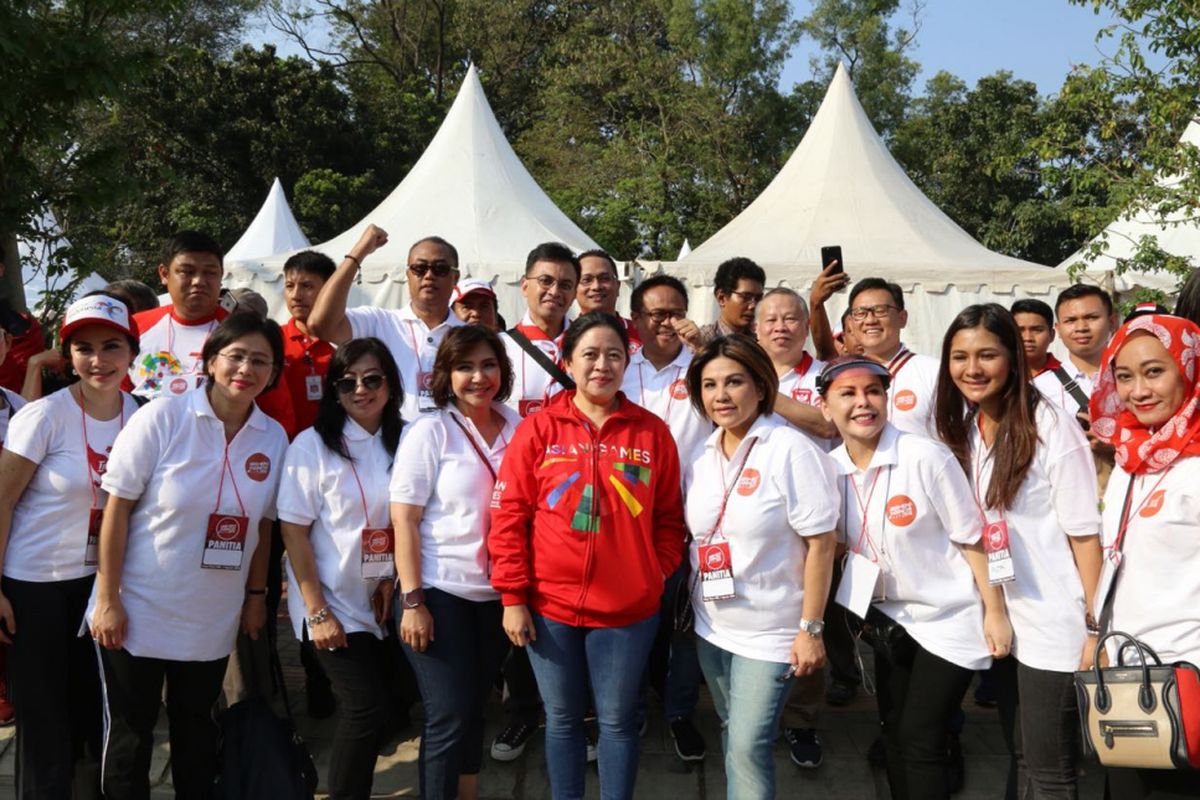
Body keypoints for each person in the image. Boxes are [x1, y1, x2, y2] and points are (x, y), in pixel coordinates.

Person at [87, 313, 288, 800]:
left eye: (260, 360)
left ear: (274, 371)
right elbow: (117, 509)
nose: (246, 369)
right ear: (212, 361)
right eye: (236, 356)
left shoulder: (274, 437)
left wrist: (256, 596)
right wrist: (108, 598)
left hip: (210, 617)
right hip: (138, 608)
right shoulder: (162, 416)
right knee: (130, 737)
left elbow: (261, 526)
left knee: (196, 731)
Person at [488, 311, 687, 800]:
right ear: (569, 361)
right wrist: (513, 596)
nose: (603, 365)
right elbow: (509, 516)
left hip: (628, 612)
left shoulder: (651, 432)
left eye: (615, 355)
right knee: (561, 720)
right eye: (591, 355)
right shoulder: (538, 430)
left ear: (627, 361)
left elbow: (668, 518)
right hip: (549, 609)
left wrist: (652, 573)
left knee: (617, 723)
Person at [818, 355, 1010, 800]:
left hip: (949, 619)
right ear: (825, 407)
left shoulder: (924, 455)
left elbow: (972, 540)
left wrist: (995, 612)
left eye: (873, 392)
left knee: (921, 737)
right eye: (847, 394)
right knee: (894, 734)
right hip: (889, 620)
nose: (863, 403)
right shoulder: (829, 469)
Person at [935, 303, 1102, 800]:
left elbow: (1084, 535)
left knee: (1052, 771)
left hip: (1055, 623)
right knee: (1025, 755)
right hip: (1000, 617)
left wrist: (1094, 629)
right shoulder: (967, 427)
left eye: (987, 354)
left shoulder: (1051, 425)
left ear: (1013, 356)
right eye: (960, 356)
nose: (972, 368)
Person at [681, 334, 838, 799]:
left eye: (734, 382)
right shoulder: (703, 455)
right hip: (712, 624)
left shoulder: (788, 448)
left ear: (761, 385)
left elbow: (822, 543)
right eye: (709, 385)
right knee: (734, 730)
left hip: (771, 632)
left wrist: (811, 628)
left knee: (748, 745)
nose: (721, 396)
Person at [0, 293, 140, 798]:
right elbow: (2, 501)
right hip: (34, 586)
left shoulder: (143, 416)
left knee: (93, 713)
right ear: (67, 355)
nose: (98, 360)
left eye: (110, 346)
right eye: (83, 348)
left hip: (101, 584)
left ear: (131, 351)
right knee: (42, 720)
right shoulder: (42, 416)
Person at [392, 325, 520, 800]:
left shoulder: (518, 426)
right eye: (464, 367)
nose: (478, 377)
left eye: (488, 365)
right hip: (439, 593)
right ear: (445, 375)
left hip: (496, 596)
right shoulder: (431, 430)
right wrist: (413, 600)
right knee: (447, 715)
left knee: (472, 708)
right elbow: (403, 520)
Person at [278, 337, 403, 800]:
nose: (360, 389)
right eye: (347, 381)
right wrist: (316, 611)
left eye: (372, 379)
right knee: (364, 708)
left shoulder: (407, 437)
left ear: (391, 385)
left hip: (384, 597)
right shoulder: (310, 446)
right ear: (333, 390)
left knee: (387, 707)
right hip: (330, 600)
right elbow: (293, 533)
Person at [1089, 312, 1200, 799]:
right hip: (1129, 678)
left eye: (1155, 371)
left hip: (1190, 681)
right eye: (1125, 376)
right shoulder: (1130, 460)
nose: (1138, 391)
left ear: (1190, 368)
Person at [622, 274, 710, 764]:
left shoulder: (700, 369)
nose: (668, 322)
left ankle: (679, 713)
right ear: (635, 320)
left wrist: (702, 352)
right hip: (624, 523)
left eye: (676, 312)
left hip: (686, 521)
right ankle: (629, 711)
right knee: (632, 624)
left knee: (682, 627)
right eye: (656, 313)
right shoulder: (620, 367)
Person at [307, 227, 465, 422]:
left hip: (454, 446)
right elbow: (321, 324)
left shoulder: (469, 336)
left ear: (455, 277)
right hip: (390, 446)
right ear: (408, 274)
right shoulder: (379, 322)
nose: (429, 275)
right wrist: (358, 253)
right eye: (420, 268)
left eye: (440, 269)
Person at [127, 231, 229, 399]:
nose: (198, 281)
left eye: (210, 273)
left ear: (221, 275)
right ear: (164, 274)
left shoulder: (244, 331)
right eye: (187, 272)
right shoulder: (135, 327)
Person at [847, 278, 940, 438]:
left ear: (902, 318)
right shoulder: (843, 377)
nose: (870, 320)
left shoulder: (933, 372)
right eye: (860, 313)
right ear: (851, 324)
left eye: (880, 310)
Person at [501, 242, 579, 418]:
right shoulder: (499, 347)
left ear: (574, 294)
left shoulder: (590, 346)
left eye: (565, 285)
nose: (554, 291)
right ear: (524, 286)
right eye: (545, 281)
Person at [280, 251, 338, 436]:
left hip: (329, 447)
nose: (296, 295)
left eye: (306, 286)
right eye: (289, 286)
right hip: (278, 448)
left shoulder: (343, 342)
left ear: (329, 289)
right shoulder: (271, 340)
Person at [576, 250, 639, 348]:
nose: (596, 287)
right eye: (586, 280)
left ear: (618, 286)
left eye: (604, 278)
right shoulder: (561, 340)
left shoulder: (643, 334)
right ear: (574, 288)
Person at [696, 258, 765, 345]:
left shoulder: (762, 342)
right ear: (721, 298)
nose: (753, 305)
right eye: (746, 297)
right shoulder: (702, 341)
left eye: (758, 298)